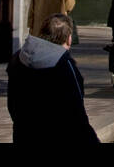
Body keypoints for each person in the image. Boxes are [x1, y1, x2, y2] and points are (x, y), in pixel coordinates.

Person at [6, 13, 99, 144]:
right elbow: (77, 114)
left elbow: (13, 105)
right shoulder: (64, 64)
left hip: (23, 134)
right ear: (69, 39)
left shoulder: (19, 58)